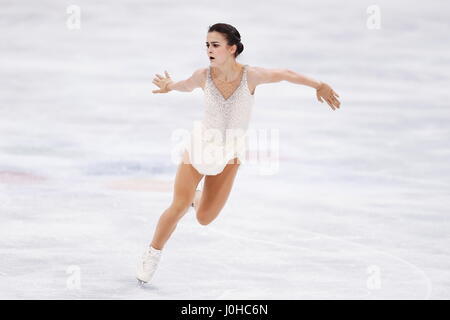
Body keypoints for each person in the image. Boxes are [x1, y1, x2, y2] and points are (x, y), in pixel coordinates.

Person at [136, 23, 341, 285]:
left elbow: (285, 74)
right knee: (177, 206)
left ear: (232, 49)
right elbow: (185, 85)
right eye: (207, 45)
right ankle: (153, 253)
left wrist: (319, 84)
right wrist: (169, 86)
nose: (209, 50)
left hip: (230, 153)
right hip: (200, 146)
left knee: (204, 218)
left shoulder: (251, 76)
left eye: (215, 45)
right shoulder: (203, 75)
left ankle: (195, 199)